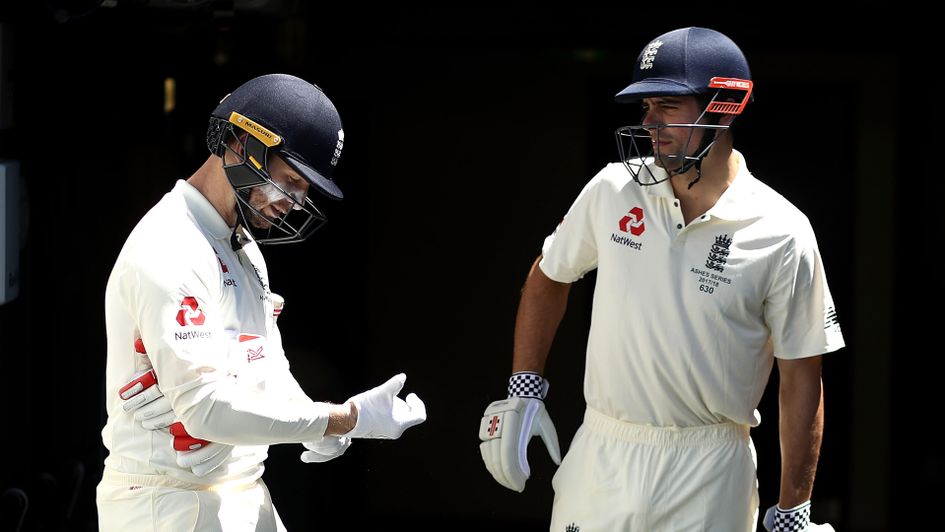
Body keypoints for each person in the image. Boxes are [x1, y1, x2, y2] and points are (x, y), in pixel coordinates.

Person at [478, 27, 843, 531]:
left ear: (724, 105)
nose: (649, 123)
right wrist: (525, 387)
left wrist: (794, 511)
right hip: (604, 452)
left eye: (667, 106)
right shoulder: (612, 189)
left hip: (711, 468)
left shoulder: (783, 230)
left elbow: (802, 375)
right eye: (645, 106)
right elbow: (550, 275)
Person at [97, 73, 426, 531]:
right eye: (291, 181)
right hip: (168, 501)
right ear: (241, 144)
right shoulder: (171, 245)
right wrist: (338, 420)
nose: (294, 201)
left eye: (305, 189)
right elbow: (206, 409)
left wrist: (315, 417)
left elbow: (265, 367)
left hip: (242, 493)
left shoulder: (242, 246)